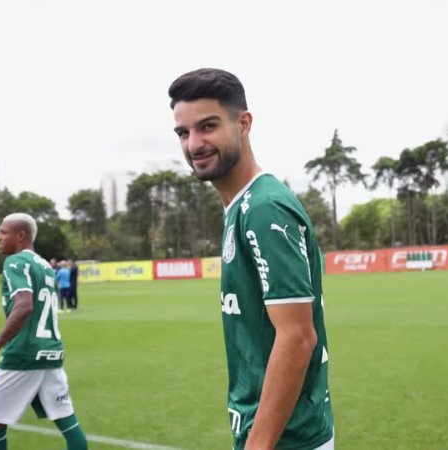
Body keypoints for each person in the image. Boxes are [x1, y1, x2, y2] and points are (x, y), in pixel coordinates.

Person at [169, 68, 334, 449]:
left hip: (286, 440)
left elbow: (297, 336)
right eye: (183, 132)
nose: (194, 144)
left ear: (243, 123)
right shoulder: (242, 206)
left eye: (207, 126)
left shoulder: (264, 209)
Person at [0, 213, 87, 450]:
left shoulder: (15, 262)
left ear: (20, 235)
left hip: (23, 355)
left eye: (3, 232)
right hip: (51, 353)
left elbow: (25, 305)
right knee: (68, 423)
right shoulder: (45, 266)